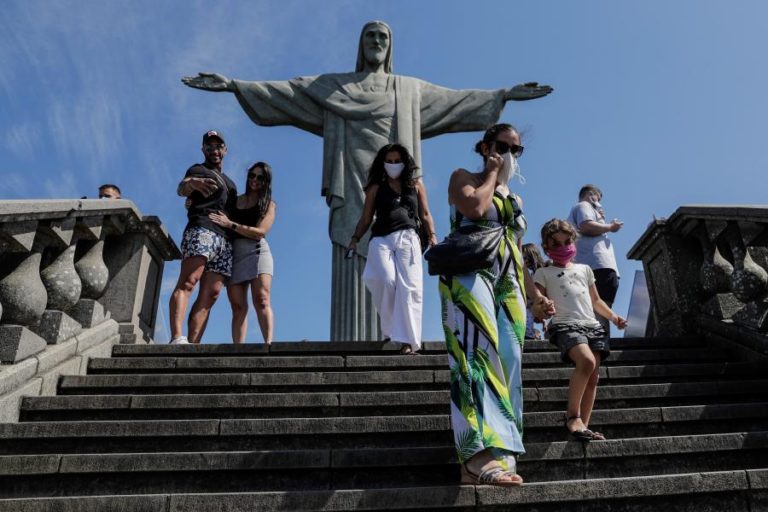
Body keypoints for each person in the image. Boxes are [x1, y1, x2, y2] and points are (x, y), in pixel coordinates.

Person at [182, 20, 553, 341]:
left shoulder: (408, 90)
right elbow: (288, 92)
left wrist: (502, 95)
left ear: (390, 47)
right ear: (361, 45)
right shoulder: (335, 88)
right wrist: (234, 85)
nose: (376, 42)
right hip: (352, 181)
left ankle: (403, 337)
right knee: (360, 257)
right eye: (370, 36)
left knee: (403, 275)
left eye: (383, 37)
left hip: (399, 191)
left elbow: (455, 101)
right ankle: (358, 340)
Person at [440, 123, 555, 486]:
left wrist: (536, 296)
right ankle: (475, 454)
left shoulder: (516, 200)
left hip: (508, 281)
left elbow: (518, 252)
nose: (509, 155)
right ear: (486, 146)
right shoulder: (463, 177)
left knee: (510, 360)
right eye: (502, 146)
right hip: (469, 272)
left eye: (515, 150)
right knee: (475, 356)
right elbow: (474, 208)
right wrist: (491, 173)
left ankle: (504, 452)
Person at [533, 219, 627, 442]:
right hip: (565, 325)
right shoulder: (543, 273)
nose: (563, 247)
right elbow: (536, 304)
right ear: (546, 247)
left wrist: (613, 317)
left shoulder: (585, 269)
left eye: (567, 242)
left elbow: (596, 300)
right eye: (556, 244)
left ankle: (584, 425)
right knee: (586, 362)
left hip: (592, 325)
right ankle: (572, 416)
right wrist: (542, 308)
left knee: (593, 377)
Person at [347, 144, 437, 355]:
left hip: (409, 237)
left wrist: (432, 236)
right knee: (386, 281)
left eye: (398, 161)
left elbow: (425, 214)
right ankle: (390, 330)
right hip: (381, 239)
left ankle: (408, 342)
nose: (394, 165)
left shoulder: (415, 186)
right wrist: (354, 239)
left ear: (405, 163)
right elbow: (366, 217)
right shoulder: (376, 188)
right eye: (390, 161)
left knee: (410, 289)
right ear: (383, 163)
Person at [168, 130, 237, 344]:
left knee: (212, 294)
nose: (214, 150)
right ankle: (177, 337)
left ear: (225, 149)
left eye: (218, 146)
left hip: (224, 240)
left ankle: (194, 344)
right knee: (189, 281)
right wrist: (192, 185)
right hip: (201, 229)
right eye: (209, 146)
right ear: (203, 149)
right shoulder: (197, 169)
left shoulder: (231, 184)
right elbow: (183, 187)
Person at [209, 162, 276, 345]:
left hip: (257, 252)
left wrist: (231, 224)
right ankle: (238, 349)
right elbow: (213, 210)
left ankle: (268, 345)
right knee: (238, 306)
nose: (254, 180)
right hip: (234, 253)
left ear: (266, 182)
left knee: (261, 299)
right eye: (252, 175)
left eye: (260, 177)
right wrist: (191, 202)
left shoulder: (269, 205)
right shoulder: (235, 200)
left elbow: (260, 232)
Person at [567, 185, 623, 335]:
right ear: (591, 195)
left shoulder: (589, 210)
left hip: (600, 265)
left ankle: (601, 344)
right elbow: (586, 226)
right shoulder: (583, 205)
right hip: (595, 265)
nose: (599, 202)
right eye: (598, 198)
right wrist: (610, 227)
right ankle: (599, 346)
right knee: (598, 307)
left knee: (601, 308)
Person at [522, 243, 546, 340]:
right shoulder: (522, 273)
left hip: (532, 306)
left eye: (527, 257)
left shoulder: (538, 274)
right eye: (522, 258)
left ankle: (531, 334)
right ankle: (530, 334)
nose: (525, 260)